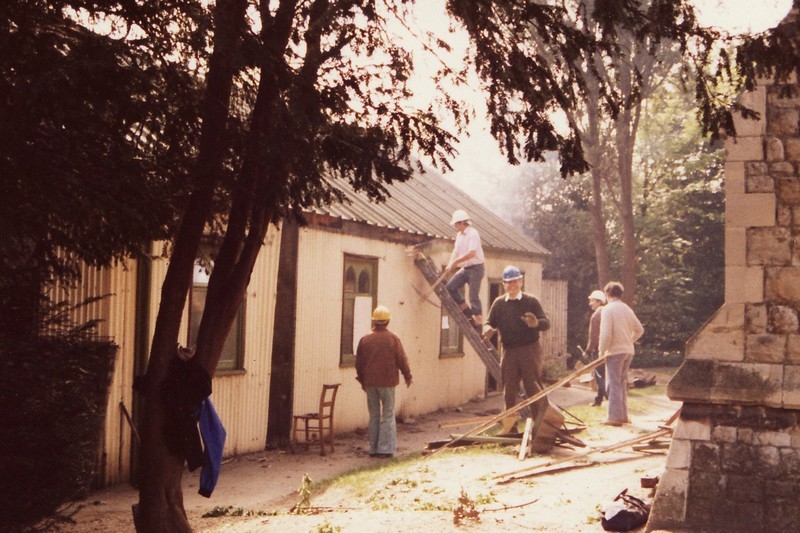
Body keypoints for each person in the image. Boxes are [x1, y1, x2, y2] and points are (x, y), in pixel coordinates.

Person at [483, 266, 550, 418]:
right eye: (508, 282)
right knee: (509, 390)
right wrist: (487, 329)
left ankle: (540, 425)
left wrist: (536, 323)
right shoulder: (499, 303)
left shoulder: (531, 301)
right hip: (509, 351)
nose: (512, 285)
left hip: (529, 350)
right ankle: (510, 428)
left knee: (533, 388)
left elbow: (546, 323)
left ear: (521, 282)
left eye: (515, 281)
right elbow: (490, 322)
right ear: (503, 284)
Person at [355, 305, 413, 458]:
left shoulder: (365, 339)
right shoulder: (393, 339)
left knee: (374, 415)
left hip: (370, 383)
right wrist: (408, 376)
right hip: (387, 382)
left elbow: (359, 363)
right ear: (387, 321)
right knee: (387, 415)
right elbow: (401, 359)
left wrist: (362, 381)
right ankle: (385, 449)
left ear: (374, 321)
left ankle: (373, 449)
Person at [598, 281, 644, 426]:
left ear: (607, 294)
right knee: (621, 383)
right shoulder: (627, 309)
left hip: (615, 351)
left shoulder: (607, 309)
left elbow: (605, 334)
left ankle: (614, 417)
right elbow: (640, 329)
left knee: (613, 383)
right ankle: (623, 415)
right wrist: (629, 340)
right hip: (628, 351)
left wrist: (601, 352)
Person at [445, 209, 485, 328]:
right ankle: (467, 311)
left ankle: (478, 320)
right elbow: (456, 251)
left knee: (473, 295)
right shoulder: (459, 235)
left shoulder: (473, 234)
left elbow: (471, 253)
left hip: (476, 268)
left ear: (462, 223)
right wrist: (450, 264)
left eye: (456, 224)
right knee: (450, 287)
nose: (455, 226)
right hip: (466, 268)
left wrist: (456, 262)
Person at [586, 289, 607, 407]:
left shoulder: (596, 316)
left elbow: (593, 336)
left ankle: (604, 398)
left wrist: (588, 350)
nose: (590, 303)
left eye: (592, 301)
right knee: (605, 375)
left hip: (598, 350)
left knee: (599, 376)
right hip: (609, 349)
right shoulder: (608, 312)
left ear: (599, 302)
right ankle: (599, 400)